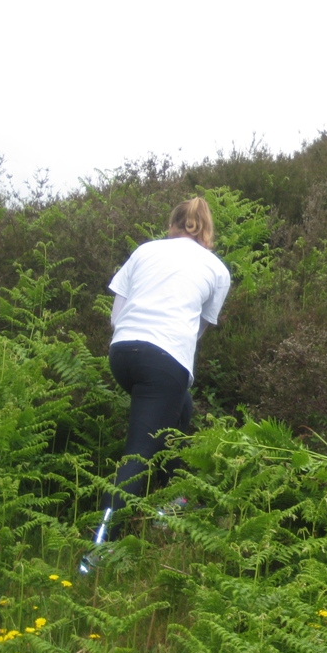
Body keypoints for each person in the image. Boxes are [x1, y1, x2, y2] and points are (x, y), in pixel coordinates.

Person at [80, 196, 231, 574]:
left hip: (122, 353)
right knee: (139, 453)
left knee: (182, 409)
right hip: (165, 360)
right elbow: (195, 332)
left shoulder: (145, 251)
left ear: (173, 224)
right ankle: (98, 552)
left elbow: (115, 316)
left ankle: (174, 500)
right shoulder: (217, 270)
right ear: (207, 232)